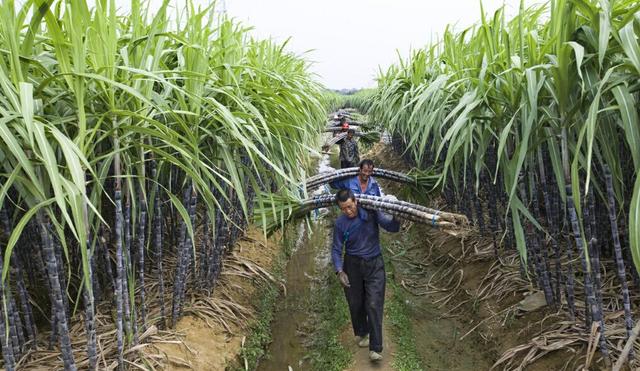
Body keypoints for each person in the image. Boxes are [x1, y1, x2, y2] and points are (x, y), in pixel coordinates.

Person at [332, 189, 400, 361]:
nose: (348, 211)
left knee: (373, 303)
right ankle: (362, 333)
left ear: (355, 201)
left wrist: (397, 217)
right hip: (352, 265)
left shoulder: (371, 212)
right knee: (355, 302)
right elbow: (336, 248)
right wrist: (340, 270)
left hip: (374, 264)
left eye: (349, 206)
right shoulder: (340, 224)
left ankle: (375, 348)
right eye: (343, 209)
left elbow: (390, 227)